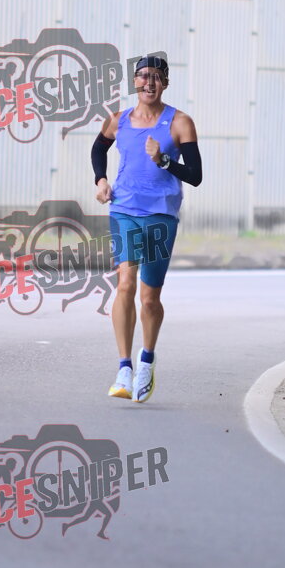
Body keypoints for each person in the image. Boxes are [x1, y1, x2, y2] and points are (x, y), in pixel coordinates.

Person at [90, 56, 202, 402]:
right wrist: (101, 179)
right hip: (123, 209)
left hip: (159, 215)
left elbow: (195, 176)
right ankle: (123, 367)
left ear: (165, 83)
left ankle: (146, 361)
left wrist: (164, 160)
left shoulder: (180, 122)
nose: (148, 83)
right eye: (142, 76)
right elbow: (98, 148)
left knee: (149, 297)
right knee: (124, 283)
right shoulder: (119, 120)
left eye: (155, 77)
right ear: (134, 82)